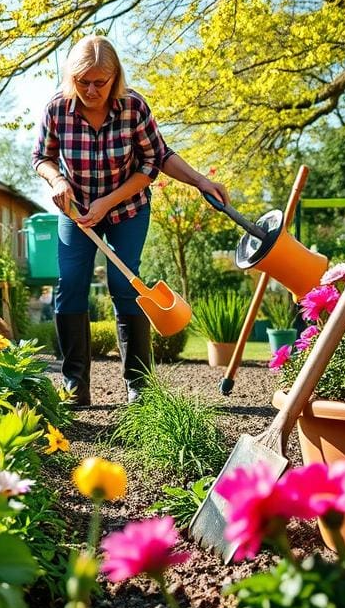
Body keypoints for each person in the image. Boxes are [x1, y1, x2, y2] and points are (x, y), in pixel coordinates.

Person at [32, 35, 228, 406]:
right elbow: (41, 156)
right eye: (82, 81)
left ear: (115, 77)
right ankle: (75, 385)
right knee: (70, 284)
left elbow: (155, 160)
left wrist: (201, 180)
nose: (91, 89)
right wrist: (57, 179)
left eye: (100, 82)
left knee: (125, 285)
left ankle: (138, 385)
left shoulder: (133, 107)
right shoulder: (57, 108)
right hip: (76, 213)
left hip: (126, 209)